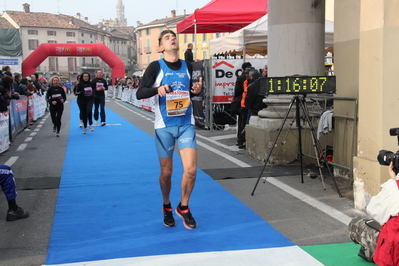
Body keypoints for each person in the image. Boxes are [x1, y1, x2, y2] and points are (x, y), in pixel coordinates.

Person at [136, 30, 202, 230]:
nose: (172, 38)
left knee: (190, 170)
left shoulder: (188, 66)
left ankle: (184, 206)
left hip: (186, 124)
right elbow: (140, 93)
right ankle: (166, 206)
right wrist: (158, 89)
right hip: (164, 127)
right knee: (167, 173)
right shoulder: (156, 66)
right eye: (167, 37)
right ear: (161, 47)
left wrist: (198, 91)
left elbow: (194, 90)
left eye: (174, 36)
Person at [349, 161, 399, 265]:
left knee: (357, 224)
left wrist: (394, 180)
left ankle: (369, 251)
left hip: (394, 248)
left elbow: (374, 210)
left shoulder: (393, 187)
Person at [231, 62, 252, 148]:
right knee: (247, 121)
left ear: (242, 69)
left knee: (241, 121)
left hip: (241, 102)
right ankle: (245, 140)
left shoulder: (240, 78)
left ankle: (240, 140)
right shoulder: (251, 78)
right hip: (249, 101)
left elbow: (237, 91)